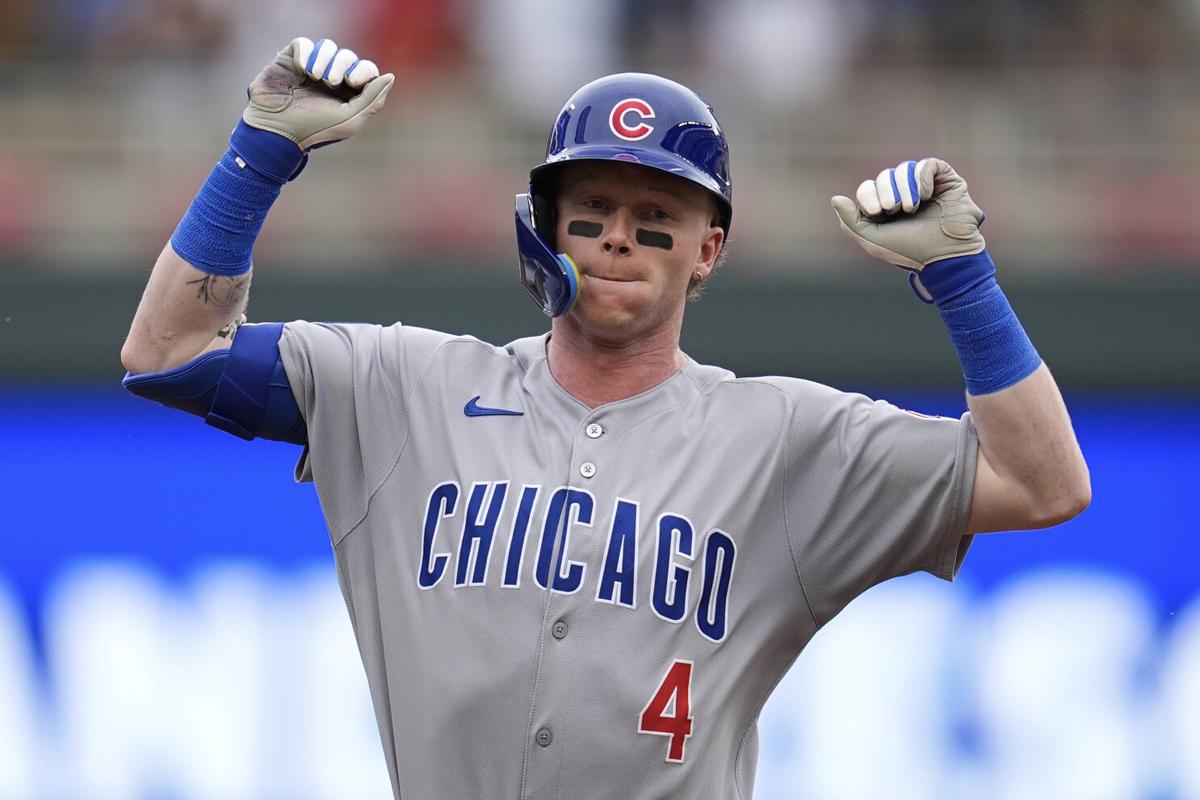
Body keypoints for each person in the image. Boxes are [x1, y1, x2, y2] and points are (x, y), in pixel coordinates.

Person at [121, 37, 1091, 800]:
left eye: (656, 212)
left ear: (708, 249)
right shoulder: (401, 387)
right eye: (592, 205)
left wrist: (963, 283)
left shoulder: (785, 440)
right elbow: (169, 351)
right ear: (544, 225)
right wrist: (259, 153)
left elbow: (1043, 483)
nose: (620, 234)